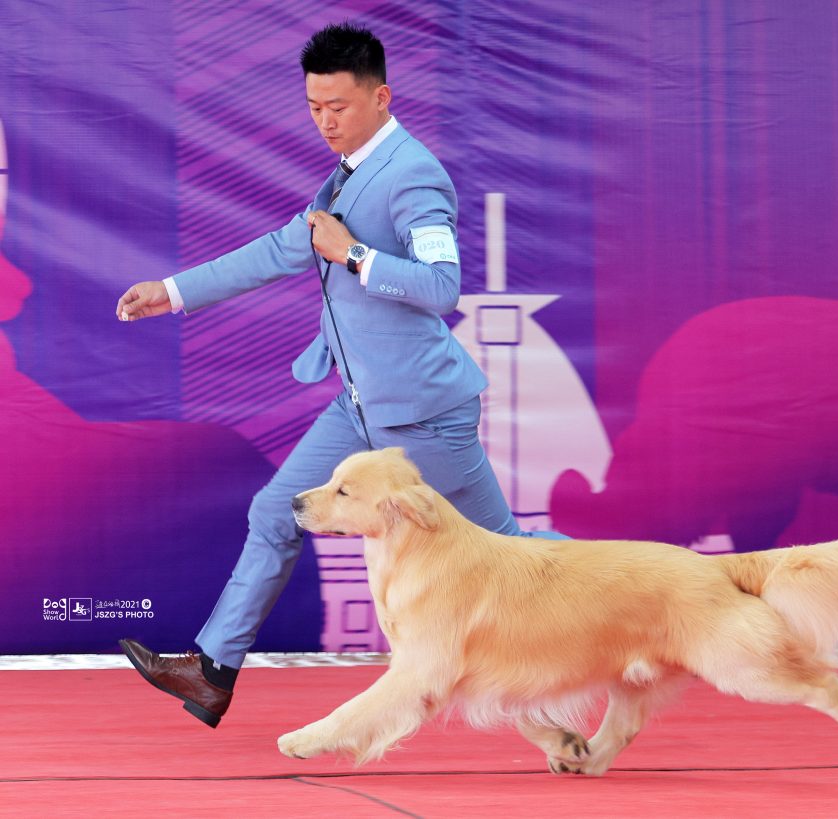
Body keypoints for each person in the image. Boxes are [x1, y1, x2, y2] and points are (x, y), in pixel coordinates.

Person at [115, 22, 563, 729]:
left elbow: (442, 286)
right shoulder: (348, 171)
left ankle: (653, 589)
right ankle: (211, 671)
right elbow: (278, 250)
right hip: (360, 411)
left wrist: (355, 255)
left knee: (512, 555)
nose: (325, 121)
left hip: (423, 417)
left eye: (339, 107)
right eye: (314, 107)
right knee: (275, 512)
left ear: (381, 97)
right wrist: (170, 292)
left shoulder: (414, 173)